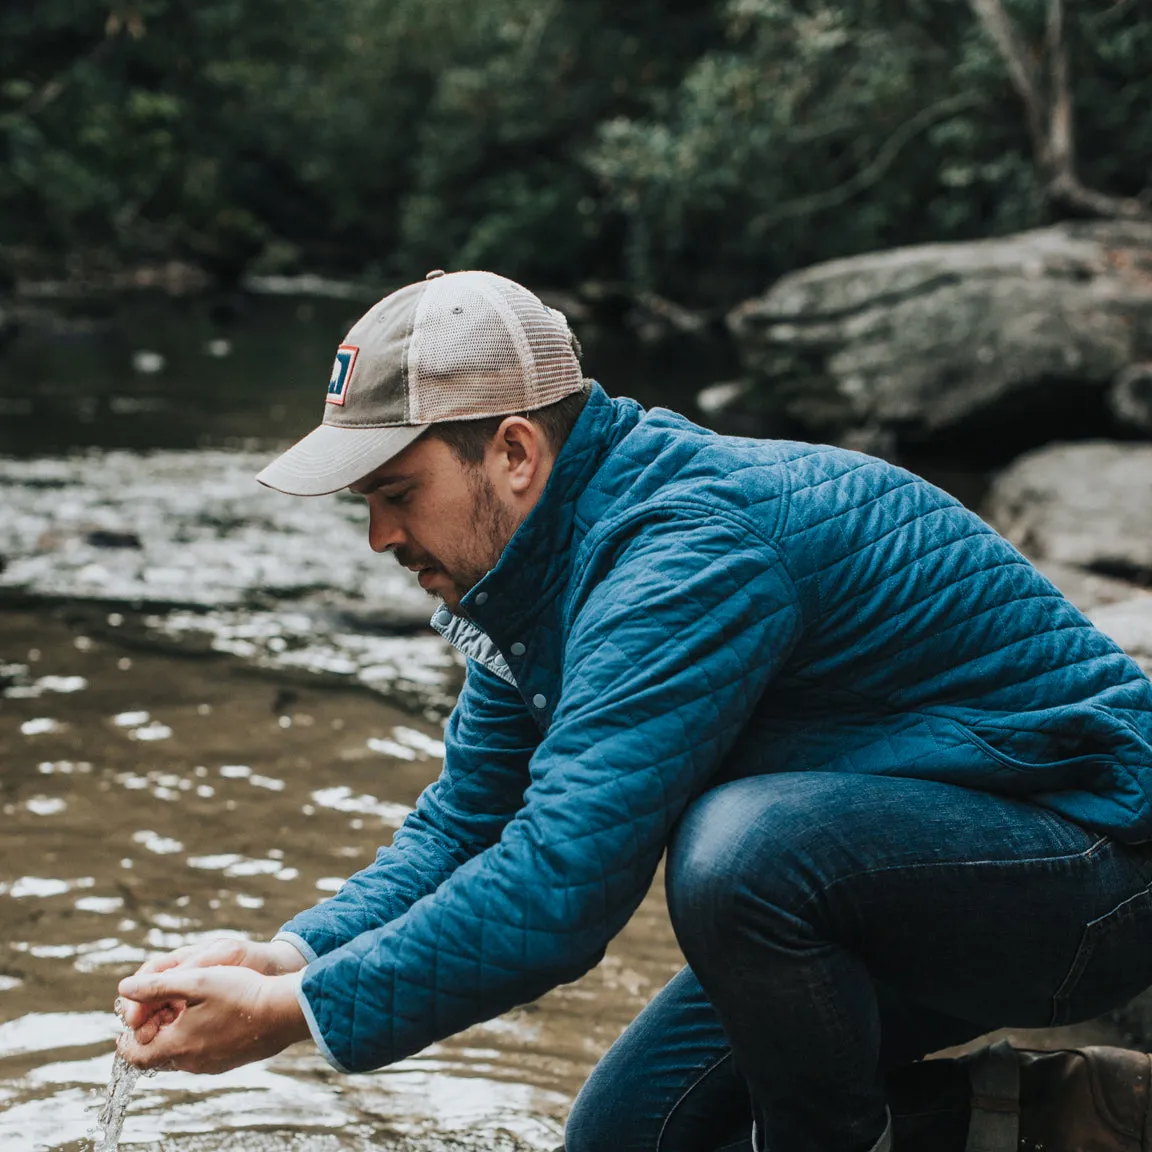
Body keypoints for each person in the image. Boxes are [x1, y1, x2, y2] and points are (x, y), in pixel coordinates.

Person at [117, 269, 1152, 1152]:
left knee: (744, 853)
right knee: (626, 1136)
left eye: (396, 491)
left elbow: (559, 890)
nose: (380, 537)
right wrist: (288, 956)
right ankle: (1059, 1112)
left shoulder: (680, 557)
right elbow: (467, 827)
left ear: (515, 454)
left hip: (1098, 879)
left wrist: (295, 1018)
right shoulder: (542, 575)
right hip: (922, 881)